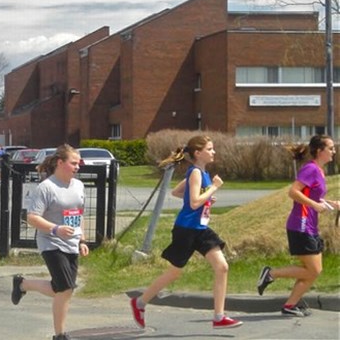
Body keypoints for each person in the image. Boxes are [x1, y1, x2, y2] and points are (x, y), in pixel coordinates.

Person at [130, 135, 242, 330]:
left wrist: (206, 198)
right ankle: (139, 302)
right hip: (186, 230)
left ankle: (219, 316)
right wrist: (213, 189)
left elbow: (178, 193)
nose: (213, 152)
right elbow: (194, 202)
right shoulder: (196, 173)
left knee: (222, 267)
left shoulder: (201, 173)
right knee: (175, 272)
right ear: (198, 153)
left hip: (200, 229)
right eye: (209, 149)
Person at [10, 144, 89, 340]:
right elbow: (32, 217)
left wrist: (82, 240)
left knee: (61, 289)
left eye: (79, 163)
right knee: (65, 288)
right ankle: (60, 335)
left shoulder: (78, 186)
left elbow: (79, 215)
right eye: (73, 163)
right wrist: (55, 228)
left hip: (71, 243)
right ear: (60, 163)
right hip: (51, 242)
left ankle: (22, 284)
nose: (77, 167)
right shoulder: (46, 187)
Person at [257, 135, 339, 317]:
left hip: (309, 225)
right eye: (331, 148)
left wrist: (328, 203)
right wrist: (315, 205)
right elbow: (293, 192)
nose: (334, 151)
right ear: (319, 151)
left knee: (312, 271)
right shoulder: (310, 169)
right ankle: (271, 273)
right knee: (314, 270)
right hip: (300, 225)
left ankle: (290, 305)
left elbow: (311, 195)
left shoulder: (319, 170)